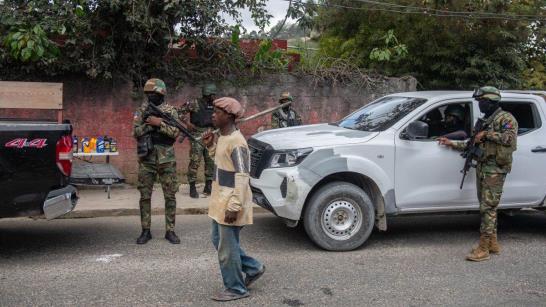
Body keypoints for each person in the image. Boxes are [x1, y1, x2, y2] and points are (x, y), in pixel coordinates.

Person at [438, 86, 517, 261]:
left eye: (481, 102)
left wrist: (487, 134)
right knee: (487, 207)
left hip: (495, 170)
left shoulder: (506, 118)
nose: (479, 105)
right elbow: (472, 142)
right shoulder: (485, 120)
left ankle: (483, 249)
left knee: (487, 208)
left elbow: (510, 138)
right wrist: (451, 143)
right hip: (483, 167)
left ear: (490, 102)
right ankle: (493, 243)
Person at [202, 97, 265, 301]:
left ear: (228, 116)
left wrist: (235, 206)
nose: (213, 114)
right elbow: (222, 165)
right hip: (220, 200)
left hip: (231, 202)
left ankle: (236, 288)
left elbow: (242, 175)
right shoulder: (223, 137)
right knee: (217, 240)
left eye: (217, 112)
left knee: (227, 249)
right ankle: (253, 268)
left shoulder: (238, 142)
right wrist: (211, 146)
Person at [133, 78, 181, 245]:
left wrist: (159, 123)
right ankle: (145, 230)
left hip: (167, 158)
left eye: (152, 93)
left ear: (161, 93)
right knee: (145, 196)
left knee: (170, 195)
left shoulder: (171, 111)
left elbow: (175, 133)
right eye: (148, 94)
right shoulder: (141, 111)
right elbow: (136, 132)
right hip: (147, 158)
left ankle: (170, 230)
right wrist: (148, 124)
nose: (150, 97)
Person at [178, 83, 216, 198]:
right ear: (207, 94)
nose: (214, 97)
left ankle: (208, 185)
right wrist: (187, 123)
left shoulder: (214, 104)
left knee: (210, 161)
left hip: (210, 133)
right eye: (212, 94)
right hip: (197, 135)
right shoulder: (194, 103)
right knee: (195, 161)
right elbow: (179, 112)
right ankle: (192, 187)